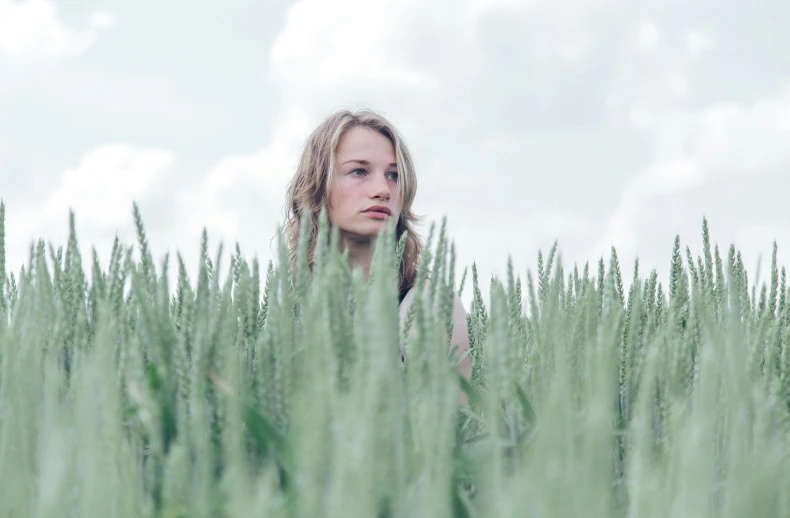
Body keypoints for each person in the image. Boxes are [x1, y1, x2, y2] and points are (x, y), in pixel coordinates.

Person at [281, 107, 471, 391]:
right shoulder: (286, 311)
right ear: (318, 185)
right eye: (359, 171)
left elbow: (450, 426)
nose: (382, 189)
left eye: (394, 176)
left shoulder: (425, 306)